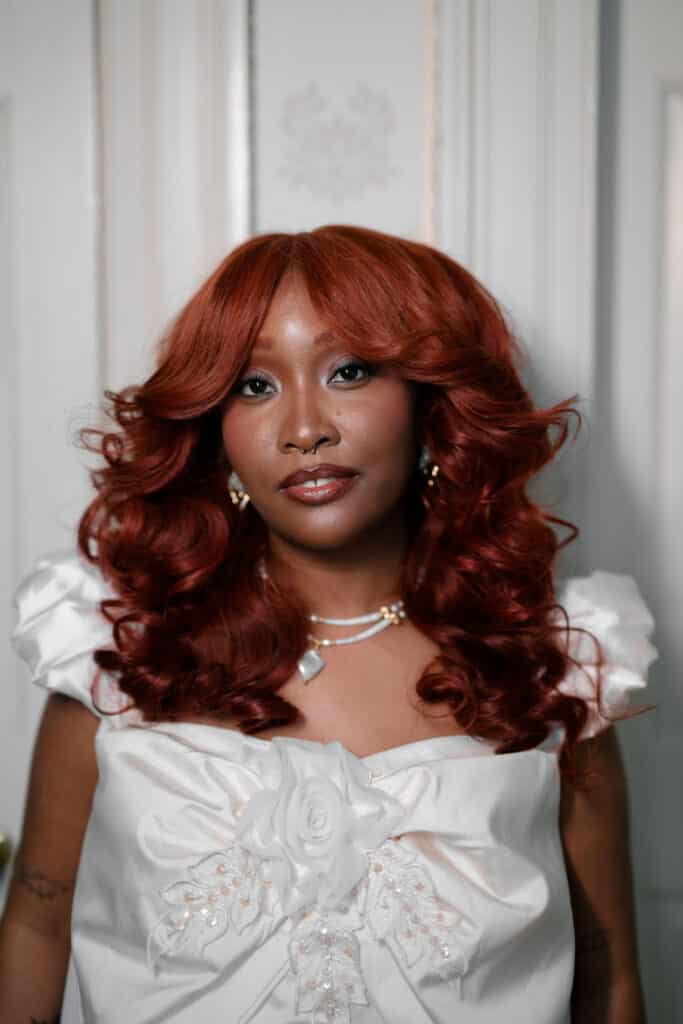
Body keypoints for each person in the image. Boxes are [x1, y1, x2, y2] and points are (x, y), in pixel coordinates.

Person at [0, 226, 657, 1023]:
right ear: (214, 427)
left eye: (349, 371)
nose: (302, 426)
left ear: (431, 402)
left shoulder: (555, 670)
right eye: (252, 386)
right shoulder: (117, 654)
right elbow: (38, 925)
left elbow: (607, 973)